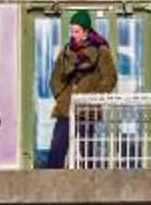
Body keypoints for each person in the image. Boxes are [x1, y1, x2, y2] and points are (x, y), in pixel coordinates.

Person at [39, 11, 118, 169]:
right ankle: (52, 186)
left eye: (77, 31)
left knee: (86, 151)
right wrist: (62, 95)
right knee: (57, 148)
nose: (73, 34)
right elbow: (55, 78)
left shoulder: (101, 51)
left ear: (86, 31)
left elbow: (110, 79)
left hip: (87, 109)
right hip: (66, 108)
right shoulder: (66, 51)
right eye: (72, 30)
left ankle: (89, 186)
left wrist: (92, 96)